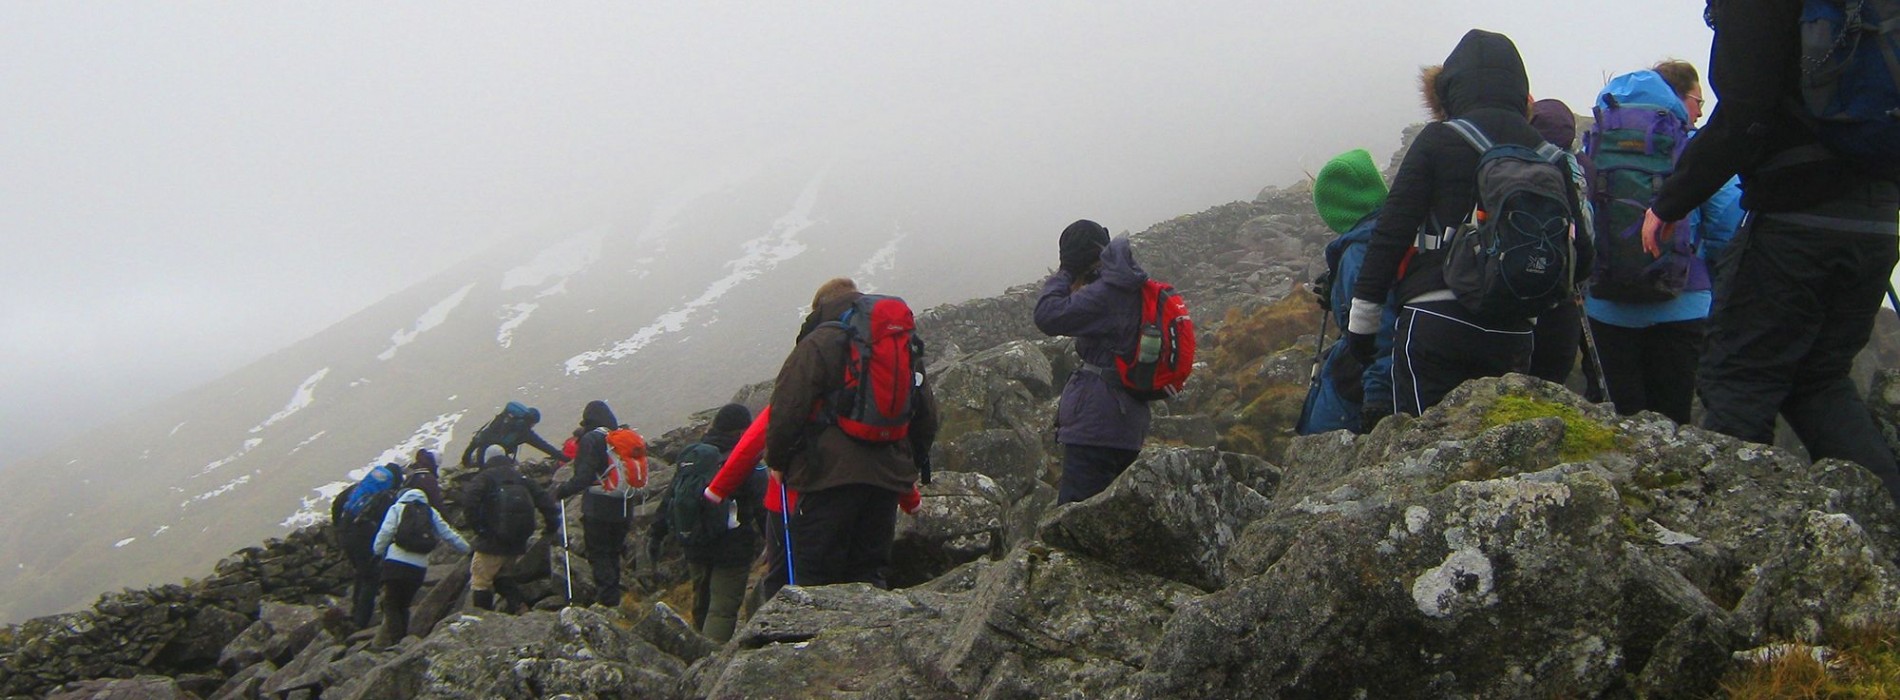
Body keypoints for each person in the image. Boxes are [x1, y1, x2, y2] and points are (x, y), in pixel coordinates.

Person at [1642, 2, 1900, 500]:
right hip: (1876, 219)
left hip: (1796, 223)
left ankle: (1735, 543)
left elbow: (1743, 112)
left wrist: (1672, 200)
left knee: (1738, 380)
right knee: (1819, 380)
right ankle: (1888, 526)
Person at [1345, 29, 1593, 416]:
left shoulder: (1437, 139)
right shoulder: (1551, 156)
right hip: (1512, 329)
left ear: (1452, 88)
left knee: (1419, 455)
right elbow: (1584, 257)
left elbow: (1390, 235)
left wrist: (1362, 328)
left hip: (1434, 319)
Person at [1582, 63, 1738, 425]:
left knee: (1620, 424)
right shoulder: (1693, 147)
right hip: (1683, 304)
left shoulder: (1595, 146)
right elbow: (1728, 223)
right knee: (1673, 421)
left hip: (1607, 305)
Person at [766, 278, 937, 587]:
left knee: (816, 577)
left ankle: (813, 636)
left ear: (821, 307)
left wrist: (777, 461)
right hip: (885, 479)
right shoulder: (897, 339)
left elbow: (787, 408)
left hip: (827, 479)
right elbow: (925, 412)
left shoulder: (819, 342)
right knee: (869, 571)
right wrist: (909, 466)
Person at [1034, 221, 1154, 502]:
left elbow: (1047, 315)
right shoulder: (1127, 284)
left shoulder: (1108, 292)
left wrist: (1066, 272)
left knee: (1076, 522)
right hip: (1125, 422)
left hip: (1098, 429)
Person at [1298, 149, 1397, 434]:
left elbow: (1383, 331)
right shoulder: (1396, 233)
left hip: (1359, 387)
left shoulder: (1358, 253)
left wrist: (1377, 397)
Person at [652, 404, 760, 642]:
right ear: (740, 431)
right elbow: (760, 502)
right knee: (722, 609)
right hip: (732, 545)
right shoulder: (742, 457)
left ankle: (695, 653)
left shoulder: (695, 456)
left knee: (701, 601)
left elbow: (671, 497)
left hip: (695, 541)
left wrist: (656, 535)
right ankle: (708, 664)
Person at [1527, 98, 1587, 388]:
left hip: (1523, 286)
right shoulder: (1583, 166)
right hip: (1569, 293)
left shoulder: (1519, 161)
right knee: (1553, 383)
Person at [554, 400, 635, 607]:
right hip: (625, 504)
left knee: (599, 553)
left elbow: (583, 477)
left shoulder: (592, 439)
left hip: (598, 506)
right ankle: (615, 598)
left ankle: (608, 602)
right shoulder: (622, 437)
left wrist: (562, 490)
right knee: (613, 552)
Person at [462, 445, 560, 612]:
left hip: (492, 540)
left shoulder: (485, 477)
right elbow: (545, 501)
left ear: (487, 459)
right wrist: (551, 526)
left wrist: (480, 530)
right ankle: (520, 607)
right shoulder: (520, 477)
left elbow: (469, 502)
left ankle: (480, 622)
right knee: (503, 575)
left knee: (481, 581)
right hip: (518, 539)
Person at [370, 486, 469, 647]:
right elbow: (448, 534)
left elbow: (386, 532)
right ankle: (403, 640)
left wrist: (377, 551)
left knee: (391, 604)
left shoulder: (397, 508)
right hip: (418, 567)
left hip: (395, 563)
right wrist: (469, 549)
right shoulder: (430, 512)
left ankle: (397, 642)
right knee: (404, 604)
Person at [329, 463, 402, 630]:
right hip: (364, 538)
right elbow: (389, 525)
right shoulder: (386, 497)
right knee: (371, 577)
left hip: (346, 532)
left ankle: (355, 610)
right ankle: (360, 622)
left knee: (361, 573)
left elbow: (337, 503)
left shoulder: (359, 488)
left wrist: (338, 527)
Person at [460, 402, 567, 468]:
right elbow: (544, 446)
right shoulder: (524, 432)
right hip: (499, 461)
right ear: (531, 422)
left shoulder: (502, 420)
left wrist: (466, 461)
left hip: (482, 454)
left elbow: (478, 439)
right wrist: (566, 459)